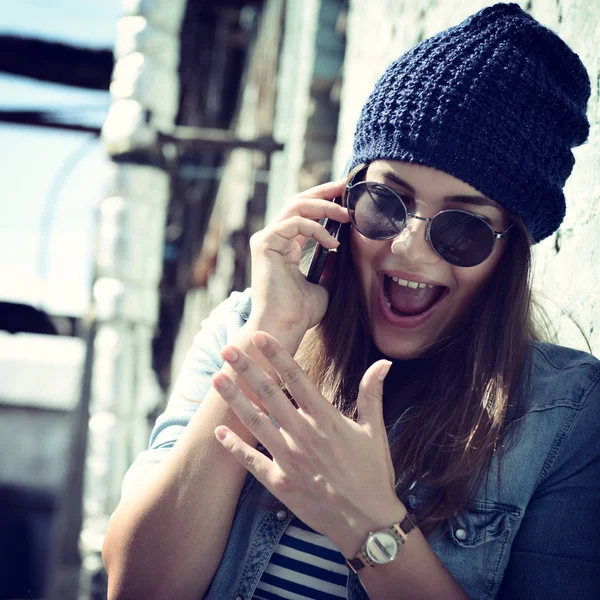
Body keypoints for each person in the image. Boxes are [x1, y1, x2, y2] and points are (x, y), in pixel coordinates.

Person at [102, 4, 600, 599]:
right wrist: (269, 338)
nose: (410, 249)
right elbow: (137, 588)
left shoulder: (566, 417)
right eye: (385, 202)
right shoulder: (247, 327)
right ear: (340, 200)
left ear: (509, 253)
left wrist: (369, 525)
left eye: (462, 227)